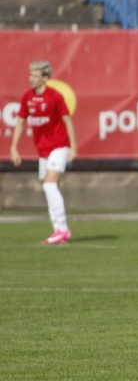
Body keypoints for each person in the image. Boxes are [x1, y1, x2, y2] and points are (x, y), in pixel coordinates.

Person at [10, 60, 78, 245]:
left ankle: (62, 229)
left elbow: (67, 121)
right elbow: (21, 122)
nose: (31, 78)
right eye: (30, 75)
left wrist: (73, 147)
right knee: (51, 188)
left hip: (59, 146)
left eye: (35, 75)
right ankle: (58, 230)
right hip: (43, 150)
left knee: (49, 186)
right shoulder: (27, 97)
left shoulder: (55, 97)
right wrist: (14, 147)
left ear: (45, 78)